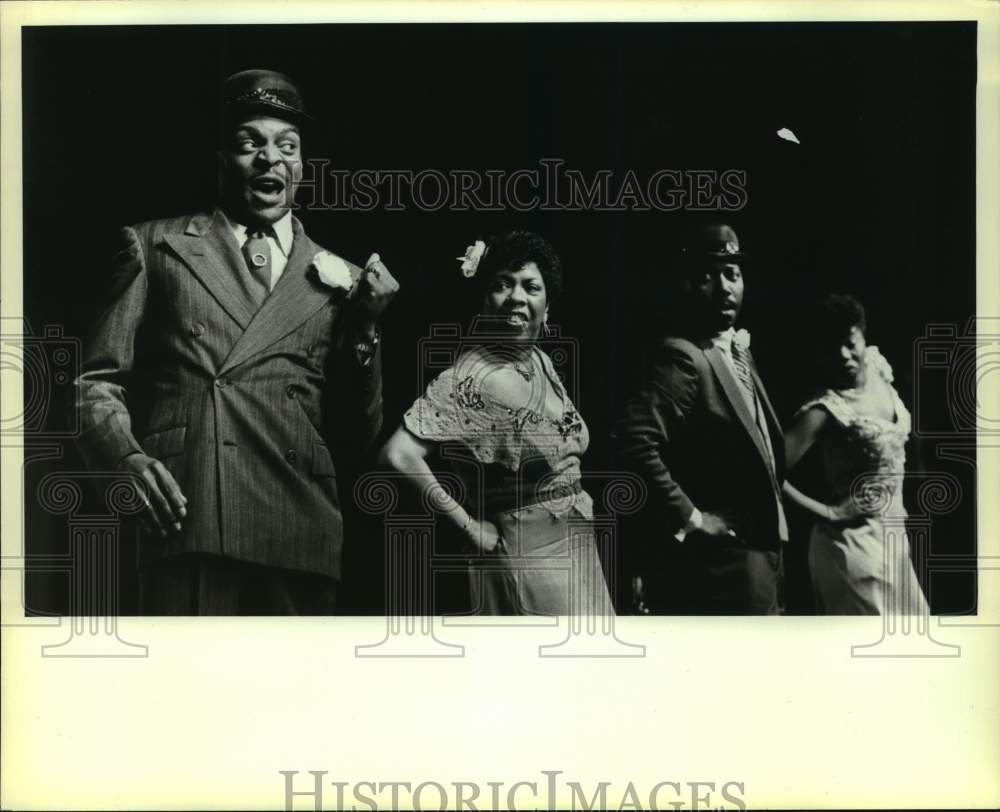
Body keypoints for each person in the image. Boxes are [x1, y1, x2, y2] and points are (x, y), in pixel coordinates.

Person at [73, 69, 399, 614]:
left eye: (286, 146)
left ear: (301, 166)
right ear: (221, 158)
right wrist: (123, 459)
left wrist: (366, 328)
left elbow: (354, 437)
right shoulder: (156, 245)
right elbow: (94, 384)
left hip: (303, 532)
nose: (269, 158)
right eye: (250, 143)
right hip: (192, 512)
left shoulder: (343, 279)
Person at [379, 231, 613, 615]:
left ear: (547, 306)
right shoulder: (469, 378)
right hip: (526, 562)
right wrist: (471, 528)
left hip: (578, 550)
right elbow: (397, 455)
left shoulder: (540, 362)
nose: (516, 297)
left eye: (530, 286)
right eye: (502, 285)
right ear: (484, 301)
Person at [612, 222, 787, 614]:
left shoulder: (738, 350)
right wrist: (691, 518)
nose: (725, 287)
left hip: (762, 557)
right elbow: (633, 442)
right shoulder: (682, 357)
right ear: (688, 284)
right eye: (709, 275)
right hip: (721, 567)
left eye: (733, 274)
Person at [783, 294, 929, 614]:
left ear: (863, 336)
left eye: (850, 342)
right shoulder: (825, 409)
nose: (843, 355)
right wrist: (829, 513)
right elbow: (766, 469)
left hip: (893, 543)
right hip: (852, 550)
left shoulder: (878, 369)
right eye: (829, 347)